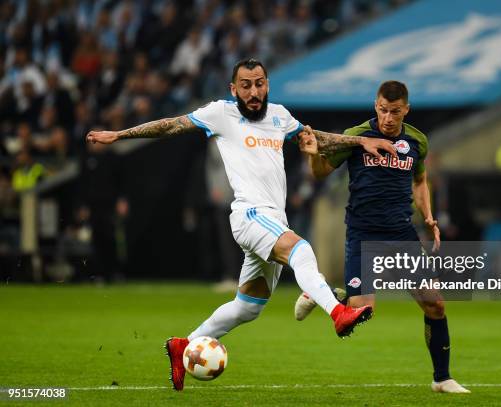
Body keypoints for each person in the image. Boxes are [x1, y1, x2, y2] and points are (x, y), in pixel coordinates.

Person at [86, 58, 396, 391]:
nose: (253, 91)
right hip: (249, 214)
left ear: (267, 85)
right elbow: (172, 125)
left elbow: (315, 136)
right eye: (245, 85)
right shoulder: (221, 113)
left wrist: (360, 141)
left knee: (247, 308)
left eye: (259, 83)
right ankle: (337, 312)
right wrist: (119, 135)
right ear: (234, 89)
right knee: (300, 248)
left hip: (273, 219)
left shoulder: (279, 116)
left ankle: (183, 344)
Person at [293, 81, 470, 394]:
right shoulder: (355, 136)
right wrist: (312, 154)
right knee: (363, 312)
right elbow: (321, 171)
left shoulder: (417, 141)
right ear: (376, 106)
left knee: (436, 305)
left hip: (402, 233)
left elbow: (420, 181)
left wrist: (428, 216)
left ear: (406, 110)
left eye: (395, 112)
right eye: (383, 110)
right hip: (363, 231)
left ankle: (442, 379)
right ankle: (325, 296)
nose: (388, 117)